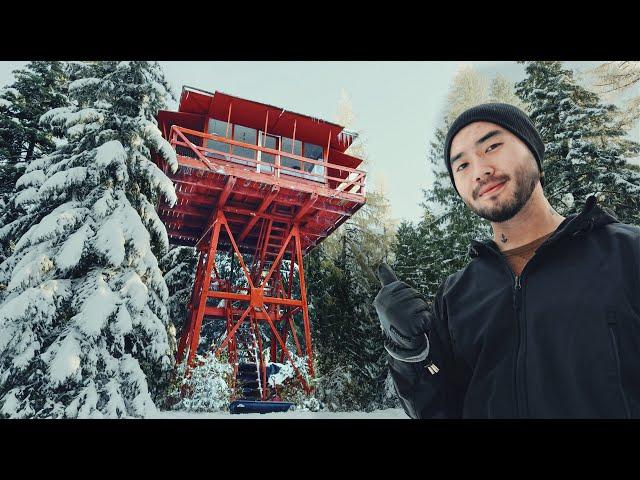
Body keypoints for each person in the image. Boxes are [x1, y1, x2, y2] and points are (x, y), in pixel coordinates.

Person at [373, 103, 640, 418]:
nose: (480, 171)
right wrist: (412, 353)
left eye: (492, 146)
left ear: (534, 155)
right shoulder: (456, 295)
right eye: (462, 166)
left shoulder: (627, 253)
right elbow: (438, 411)